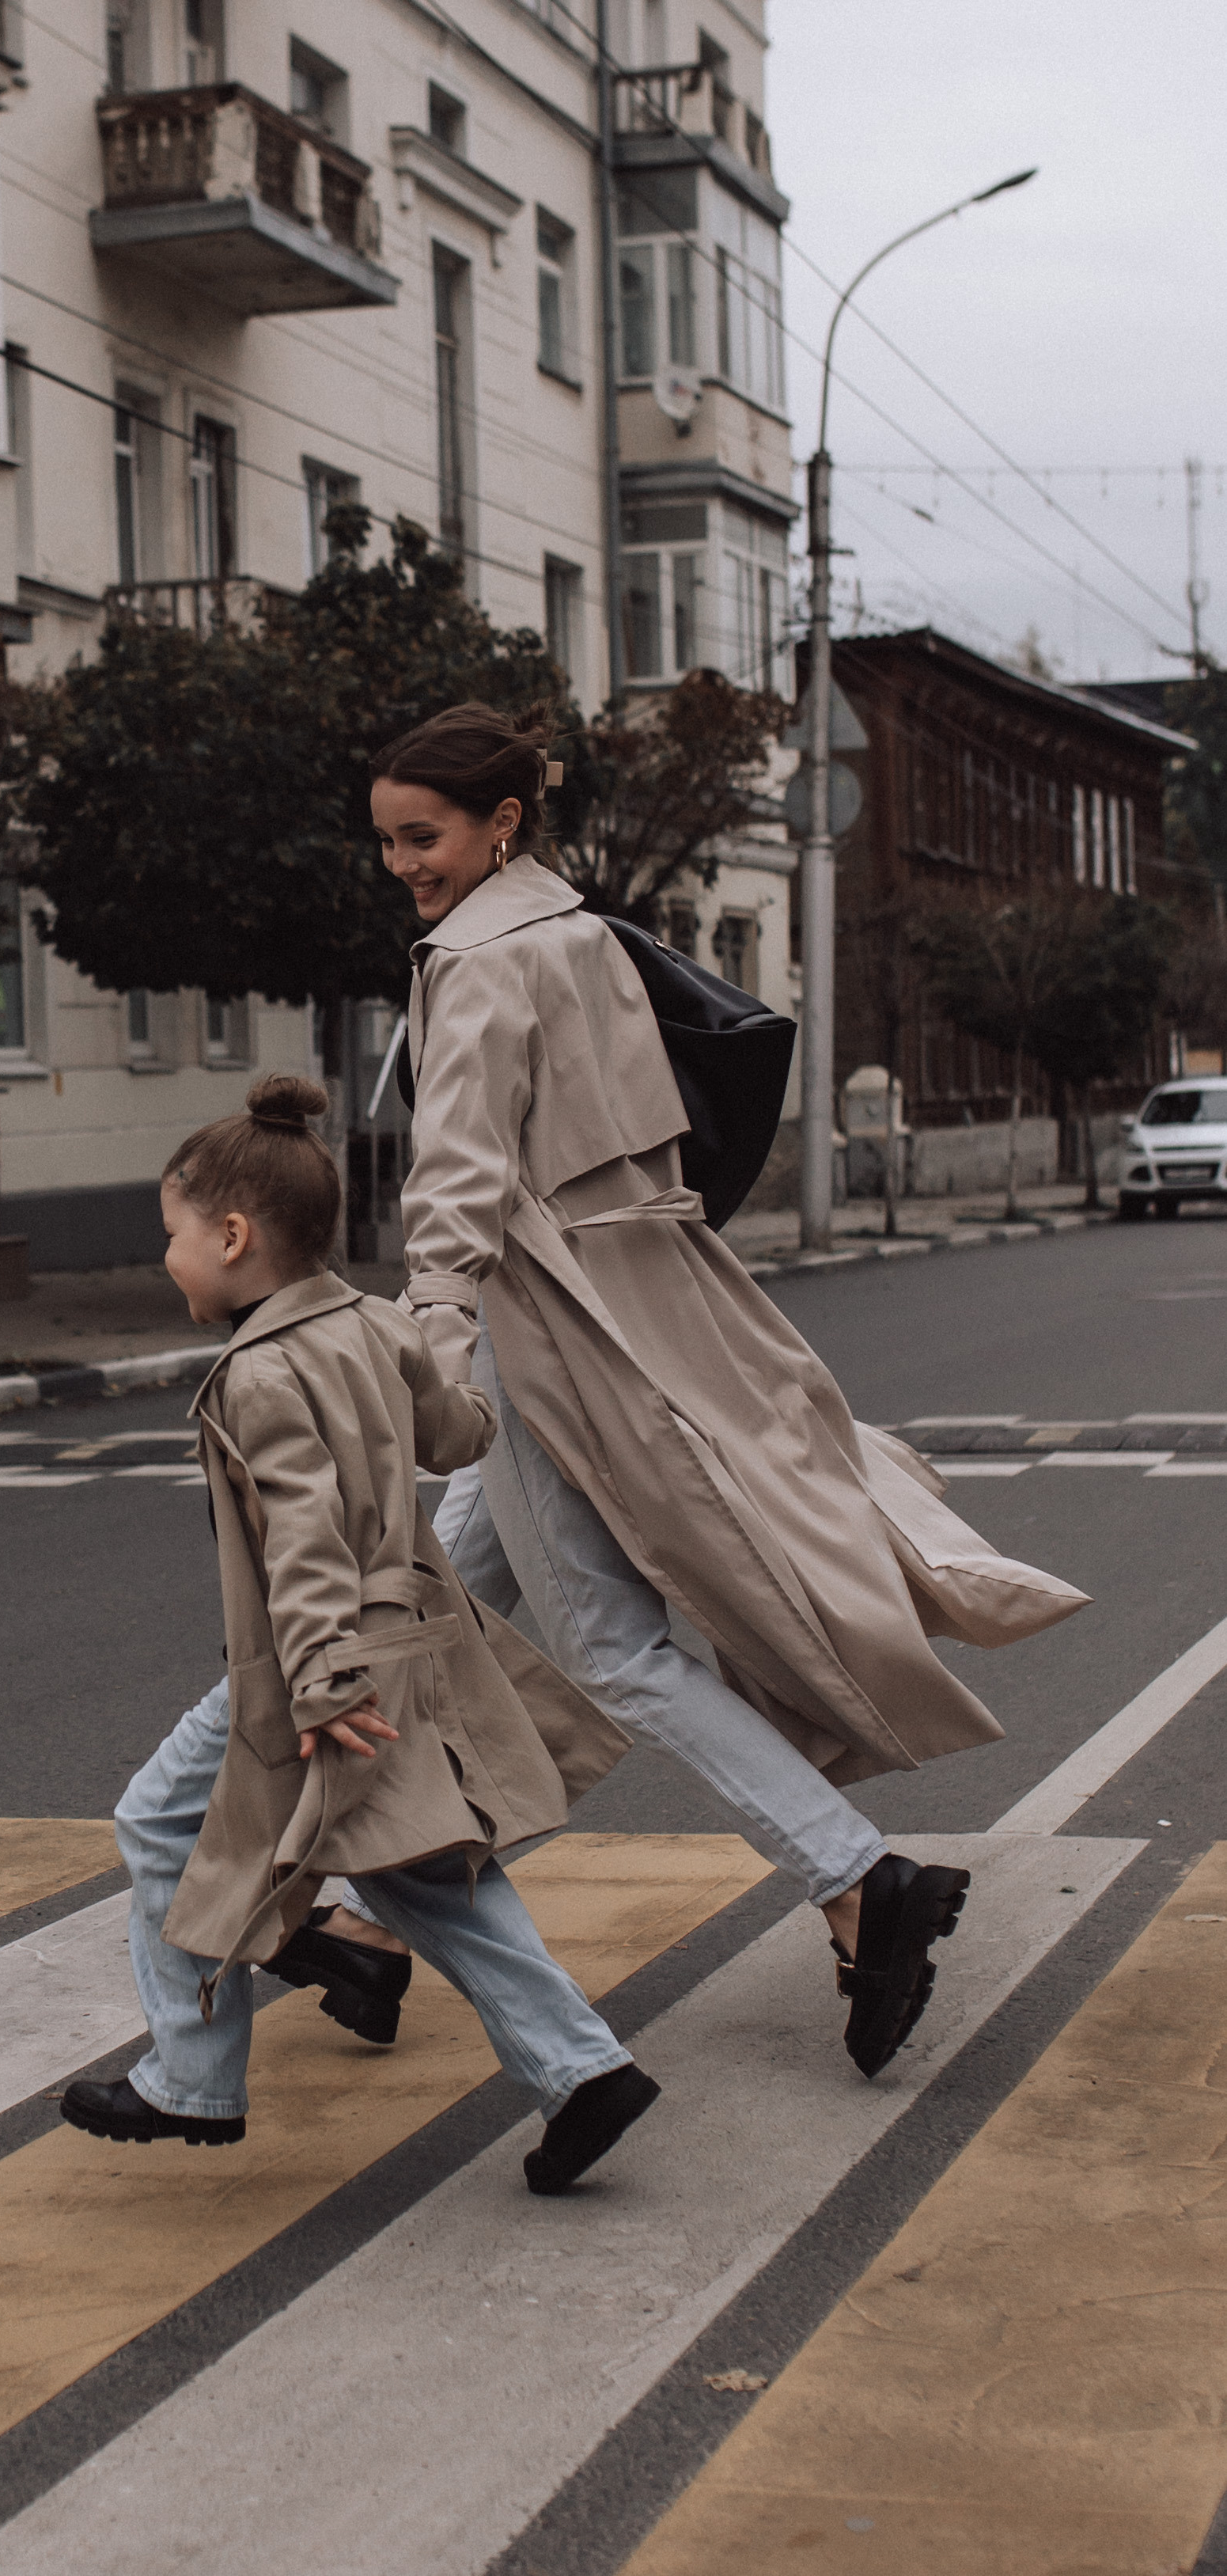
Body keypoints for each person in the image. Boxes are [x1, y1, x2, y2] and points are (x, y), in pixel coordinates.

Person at [328, 701, 1088, 2081]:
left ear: (502, 824)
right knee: (437, 1613)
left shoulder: (478, 960)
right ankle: (373, 1922)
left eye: (421, 837)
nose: (400, 865)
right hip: (630, 1309)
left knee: (609, 1648)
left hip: (539, 1337)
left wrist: (424, 1357)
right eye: (385, 840)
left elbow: (455, 1185)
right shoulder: (584, 937)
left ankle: (857, 1880)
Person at [62, 1073, 659, 2197]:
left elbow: (302, 1538)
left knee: (157, 1819)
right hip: (408, 1641)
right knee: (424, 1875)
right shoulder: (375, 1324)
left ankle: (191, 2078)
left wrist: (320, 1682)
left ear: (232, 1237)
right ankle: (585, 2071)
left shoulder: (258, 1373)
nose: (166, 1258)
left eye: (173, 1236)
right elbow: (457, 1437)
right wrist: (444, 1343)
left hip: (320, 1664)